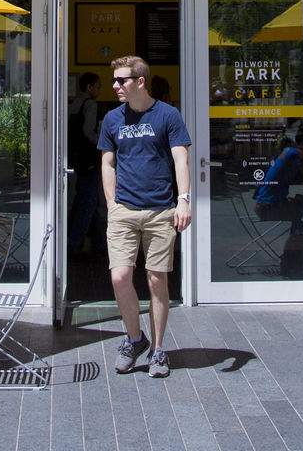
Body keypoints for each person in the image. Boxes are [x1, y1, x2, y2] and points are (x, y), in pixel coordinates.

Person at [98, 55, 191, 378]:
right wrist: (112, 204)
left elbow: (181, 159)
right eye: (114, 80)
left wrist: (183, 201)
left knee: (156, 279)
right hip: (124, 209)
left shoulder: (168, 115)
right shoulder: (112, 119)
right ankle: (135, 338)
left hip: (160, 210)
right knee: (120, 276)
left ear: (140, 81)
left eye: (121, 80)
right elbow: (107, 163)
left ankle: (159, 349)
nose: (115, 86)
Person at [252, 133, 303, 277]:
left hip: (264, 204)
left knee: (302, 203)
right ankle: (293, 258)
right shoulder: (294, 153)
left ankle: (293, 253)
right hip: (267, 208)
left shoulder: (284, 154)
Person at [67, 72, 104, 256]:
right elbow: (89, 131)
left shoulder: (73, 104)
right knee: (88, 202)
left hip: (78, 159)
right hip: (90, 159)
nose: (99, 90)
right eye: (97, 86)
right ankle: (74, 245)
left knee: (87, 200)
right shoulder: (90, 104)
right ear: (89, 87)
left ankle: (100, 245)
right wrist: (104, 142)